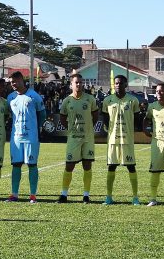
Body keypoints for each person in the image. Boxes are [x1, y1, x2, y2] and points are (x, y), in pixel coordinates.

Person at [99, 75, 144, 205]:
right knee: (111, 167)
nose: (118, 85)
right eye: (116, 83)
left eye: (120, 83)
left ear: (125, 85)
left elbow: (136, 119)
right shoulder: (107, 100)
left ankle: (135, 197)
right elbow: (106, 119)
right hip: (113, 140)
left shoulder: (133, 100)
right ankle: (108, 197)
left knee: (131, 167)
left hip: (127, 140)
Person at [6, 71, 47, 203]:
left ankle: (33, 195)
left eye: (14, 81)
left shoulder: (34, 96)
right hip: (16, 137)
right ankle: (14, 194)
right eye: (11, 82)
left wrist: (36, 129)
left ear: (21, 80)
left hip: (31, 137)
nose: (12, 84)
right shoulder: (10, 98)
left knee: (32, 165)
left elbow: (42, 115)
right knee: (16, 165)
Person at [58, 73, 98, 203]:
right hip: (73, 138)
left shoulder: (90, 99)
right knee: (69, 165)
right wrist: (70, 129)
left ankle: (86, 195)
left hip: (87, 138)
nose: (79, 84)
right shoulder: (67, 101)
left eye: (81, 82)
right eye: (77, 82)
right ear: (71, 84)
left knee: (87, 165)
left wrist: (89, 127)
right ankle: (64, 194)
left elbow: (95, 115)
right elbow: (62, 117)